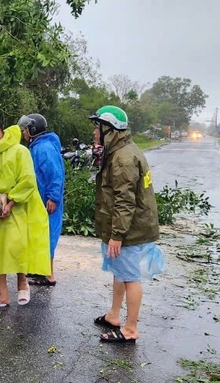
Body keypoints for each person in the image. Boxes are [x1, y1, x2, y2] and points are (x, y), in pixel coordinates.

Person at [89, 105, 165, 343]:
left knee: (130, 276)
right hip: (126, 226)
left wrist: (117, 234)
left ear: (109, 129)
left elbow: (125, 201)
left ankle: (130, 329)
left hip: (130, 229)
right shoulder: (120, 150)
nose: (94, 132)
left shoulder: (123, 158)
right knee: (120, 272)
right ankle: (114, 315)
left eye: (97, 127)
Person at [0, 114, 50, 308]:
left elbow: (27, 180)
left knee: (17, 247)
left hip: (17, 207)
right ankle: (3, 296)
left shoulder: (19, 151)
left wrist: (10, 202)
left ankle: (22, 281)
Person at [17, 113, 64, 287]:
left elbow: (55, 174)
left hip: (47, 200)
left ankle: (49, 275)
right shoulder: (38, 146)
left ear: (32, 129)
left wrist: (53, 197)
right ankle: (40, 269)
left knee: (47, 235)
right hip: (40, 199)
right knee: (40, 234)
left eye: (25, 130)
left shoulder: (43, 148)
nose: (23, 133)